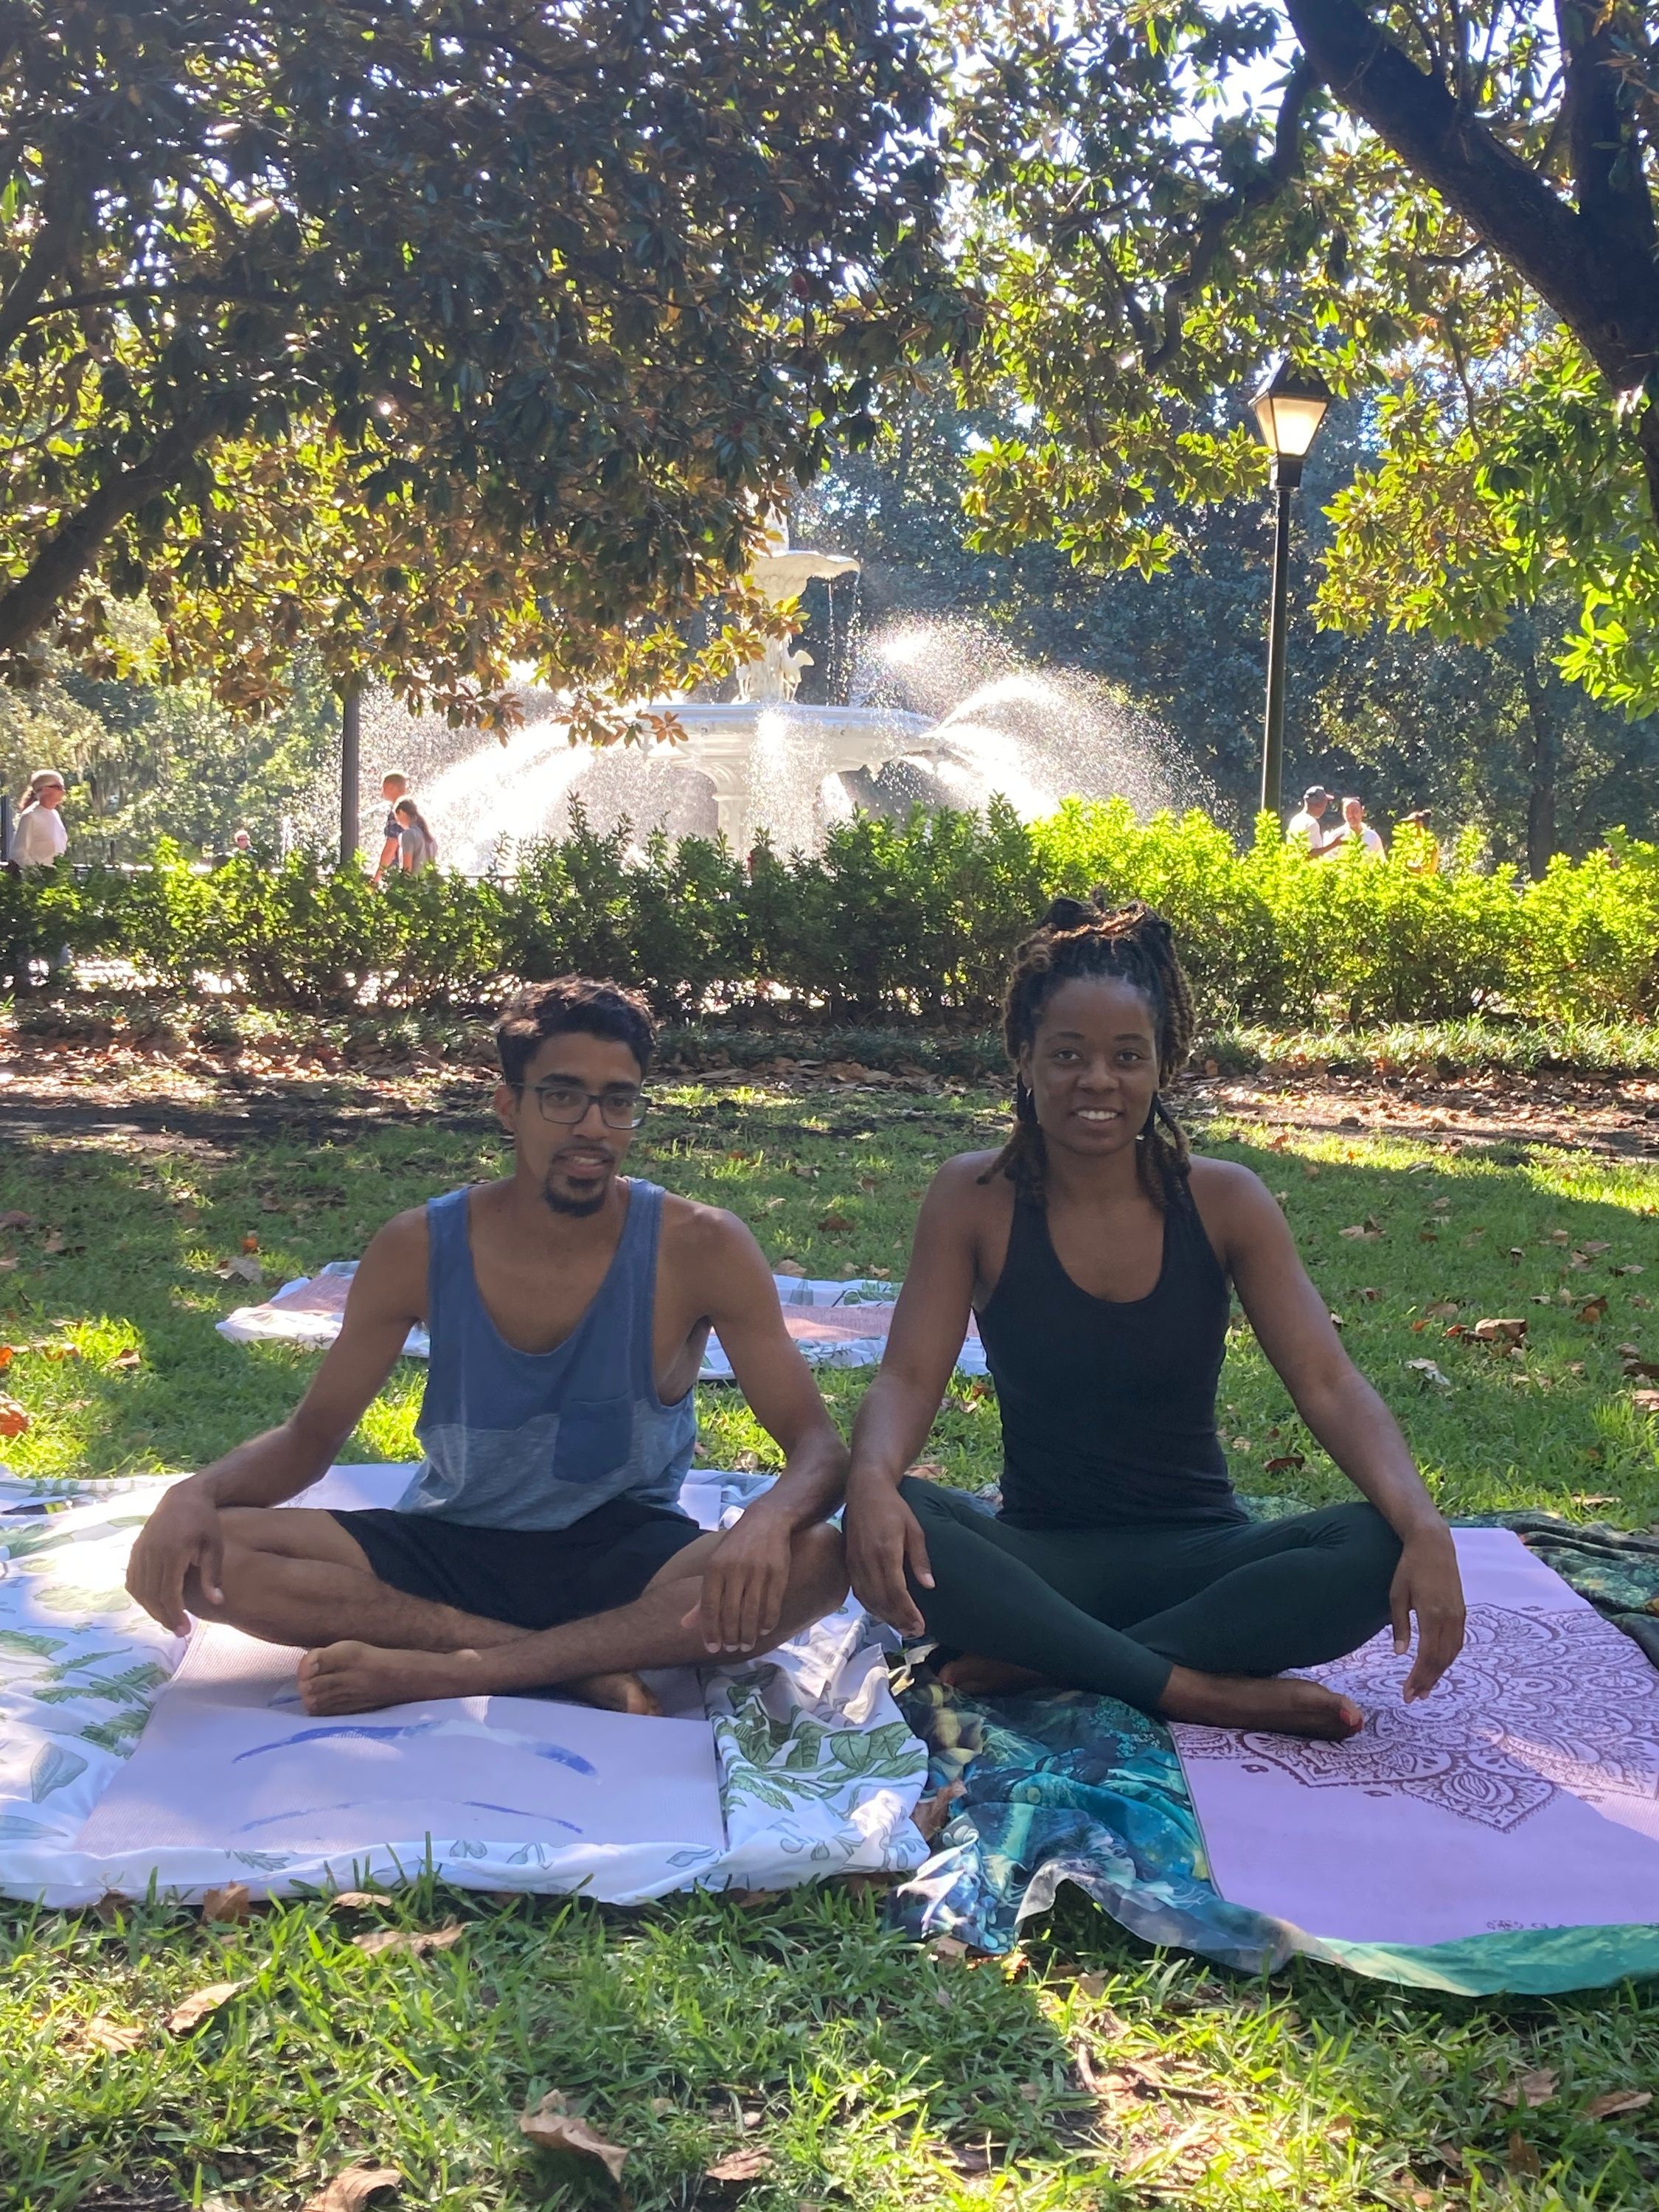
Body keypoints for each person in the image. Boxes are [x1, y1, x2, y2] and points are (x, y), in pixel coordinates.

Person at [125, 976, 849, 1717]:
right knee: (199, 1556)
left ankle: (450, 1667)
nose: (592, 1127)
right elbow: (311, 1438)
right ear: (509, 1105)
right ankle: (568, 1667)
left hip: (625, 1554)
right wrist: (194, 1493)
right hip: (451, 1543)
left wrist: (765, 1523)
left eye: (618, 1101)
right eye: (562, 1097)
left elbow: (817, 1446)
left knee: (818, 1559)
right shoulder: (418, 1246)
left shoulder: (701, 1245)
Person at [844, 897, 1466, 1742]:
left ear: (1162, 1065)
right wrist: (874, 1484)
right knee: (894, 1520)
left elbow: (1328, 1382)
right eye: (1067, 1055)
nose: (1096, 1082)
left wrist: (1424, 1525)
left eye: (1126, 1057)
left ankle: (1055, 1661)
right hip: (1043, 1559)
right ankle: (1198, 1690)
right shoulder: (973, 1197)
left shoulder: (1225, 1201)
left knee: (1375, 1546)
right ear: (1023, 1057)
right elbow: (910, 1377)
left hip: (1201, 1559)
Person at [10, 768, 68, 868]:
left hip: (57, 879)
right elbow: (19, 854)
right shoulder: (30, 816)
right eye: (59, 787)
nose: (63, 792)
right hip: (38, 881)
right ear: (45, 789)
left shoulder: (55, 814)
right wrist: (38, 874)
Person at [370, 771, 411, 884]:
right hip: (415, 873)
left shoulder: (397, 813)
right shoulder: (412, 810)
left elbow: (391, 846)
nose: (381, 792)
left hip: (400, 874)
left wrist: (376, 879)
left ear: (392, 788)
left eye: (383, 787)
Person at [1324, 796, 1386, 860]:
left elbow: (1382, 862)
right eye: (1347, 812)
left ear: (1362, 812)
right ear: (1343, 814)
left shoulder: (1373, 837)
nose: (1351, 816)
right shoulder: (1336, 837)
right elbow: (1328, 862)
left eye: (1355, 811)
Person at [392, 797, 438, 874]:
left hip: (413, 885)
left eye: (397, 817)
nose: (398, 822)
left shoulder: (408, 835)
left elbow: (407, 869)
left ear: (401, 812)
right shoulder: (431, 839)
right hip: (429, 885)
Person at [1285, 785, 1335, 855]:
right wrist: (1335, 844)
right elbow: (1310, 855)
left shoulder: (1296, 819)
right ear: (1320, 804)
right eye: (1325, 804)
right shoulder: (1312, 824)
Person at [1398, 809, 1439, 874]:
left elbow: (1420, 867)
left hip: (1423, 882)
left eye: (1410, 823)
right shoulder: (1413, 842)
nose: (1407, 827)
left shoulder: (1429, 843)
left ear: (1420, 824)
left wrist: (1406, 866)